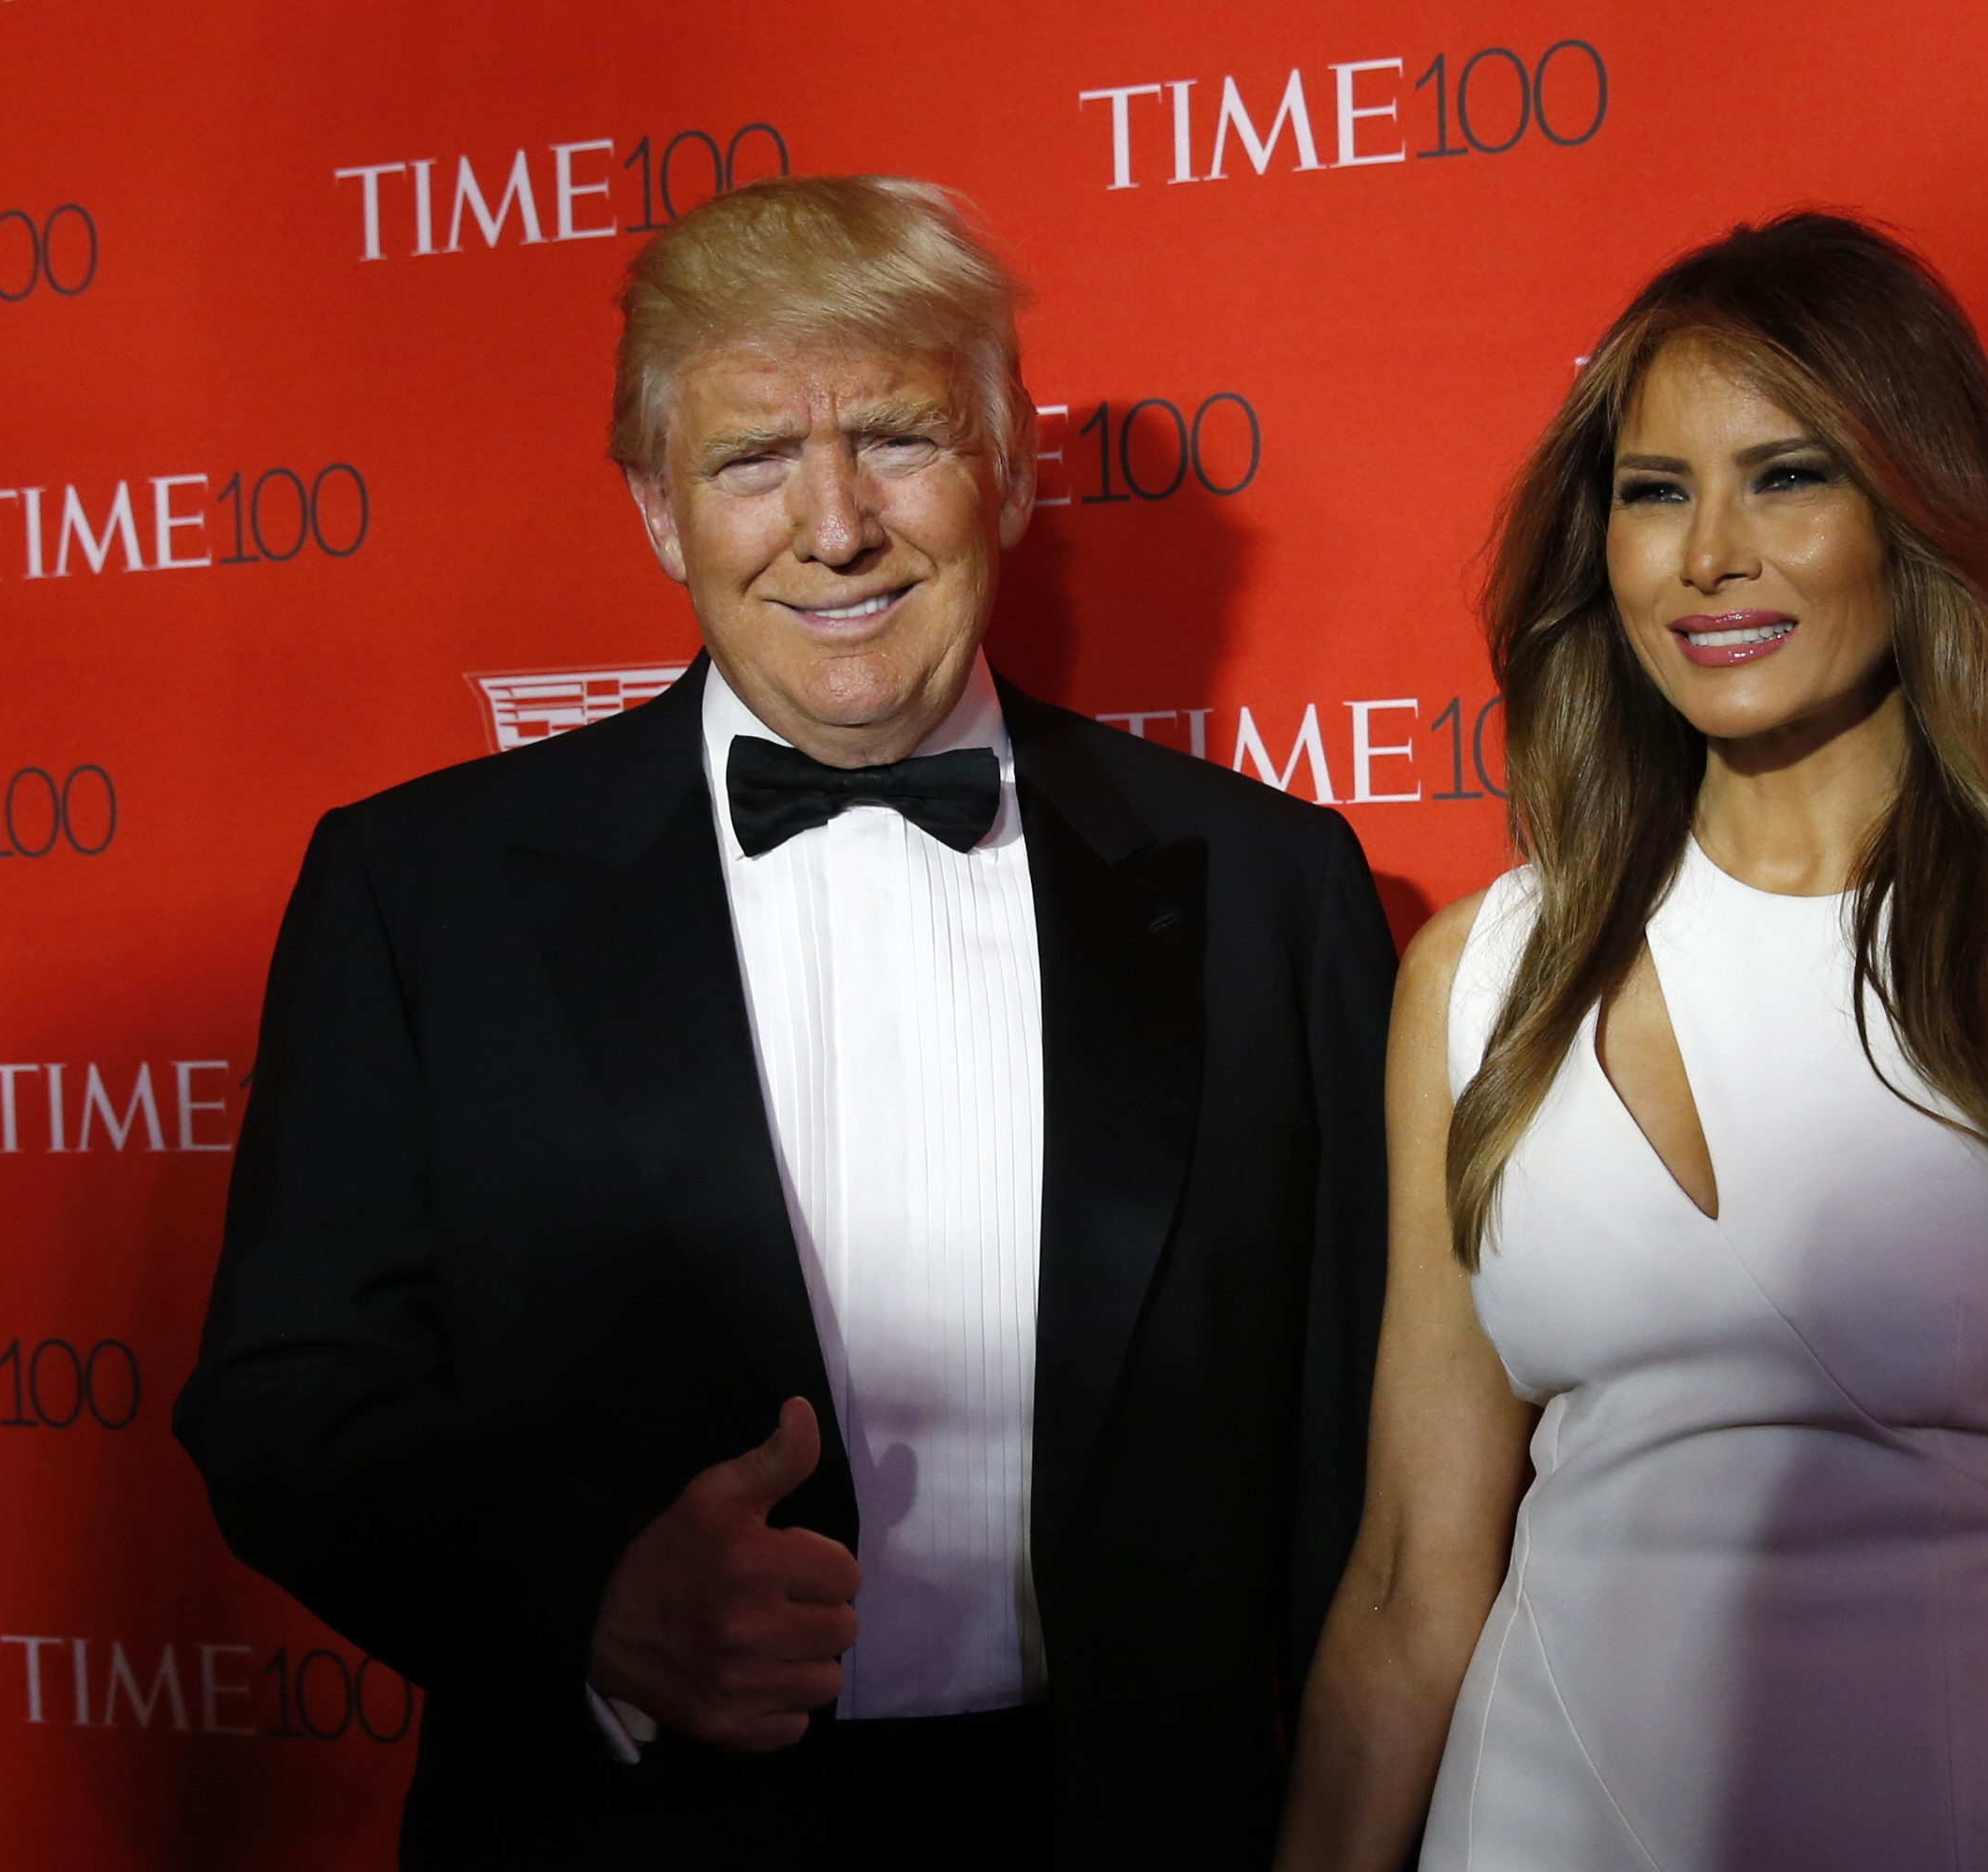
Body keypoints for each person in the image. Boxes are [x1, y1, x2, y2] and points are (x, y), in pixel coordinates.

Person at [174, 177, 1394, 1865]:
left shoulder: (1271, 892)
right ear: (661, 512)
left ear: (1014, 466)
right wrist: (587, 1597)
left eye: (897, 437)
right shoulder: (423, 894)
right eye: (754, 460)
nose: (834, 527)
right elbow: (284, 1398)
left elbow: (1361, 1472)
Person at [1276, 214, 1988, 1871]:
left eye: (1788, 477)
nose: (1707, 556)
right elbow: (1408, 1578)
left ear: (1916, 512)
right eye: (1655, 492)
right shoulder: (1479, 976)